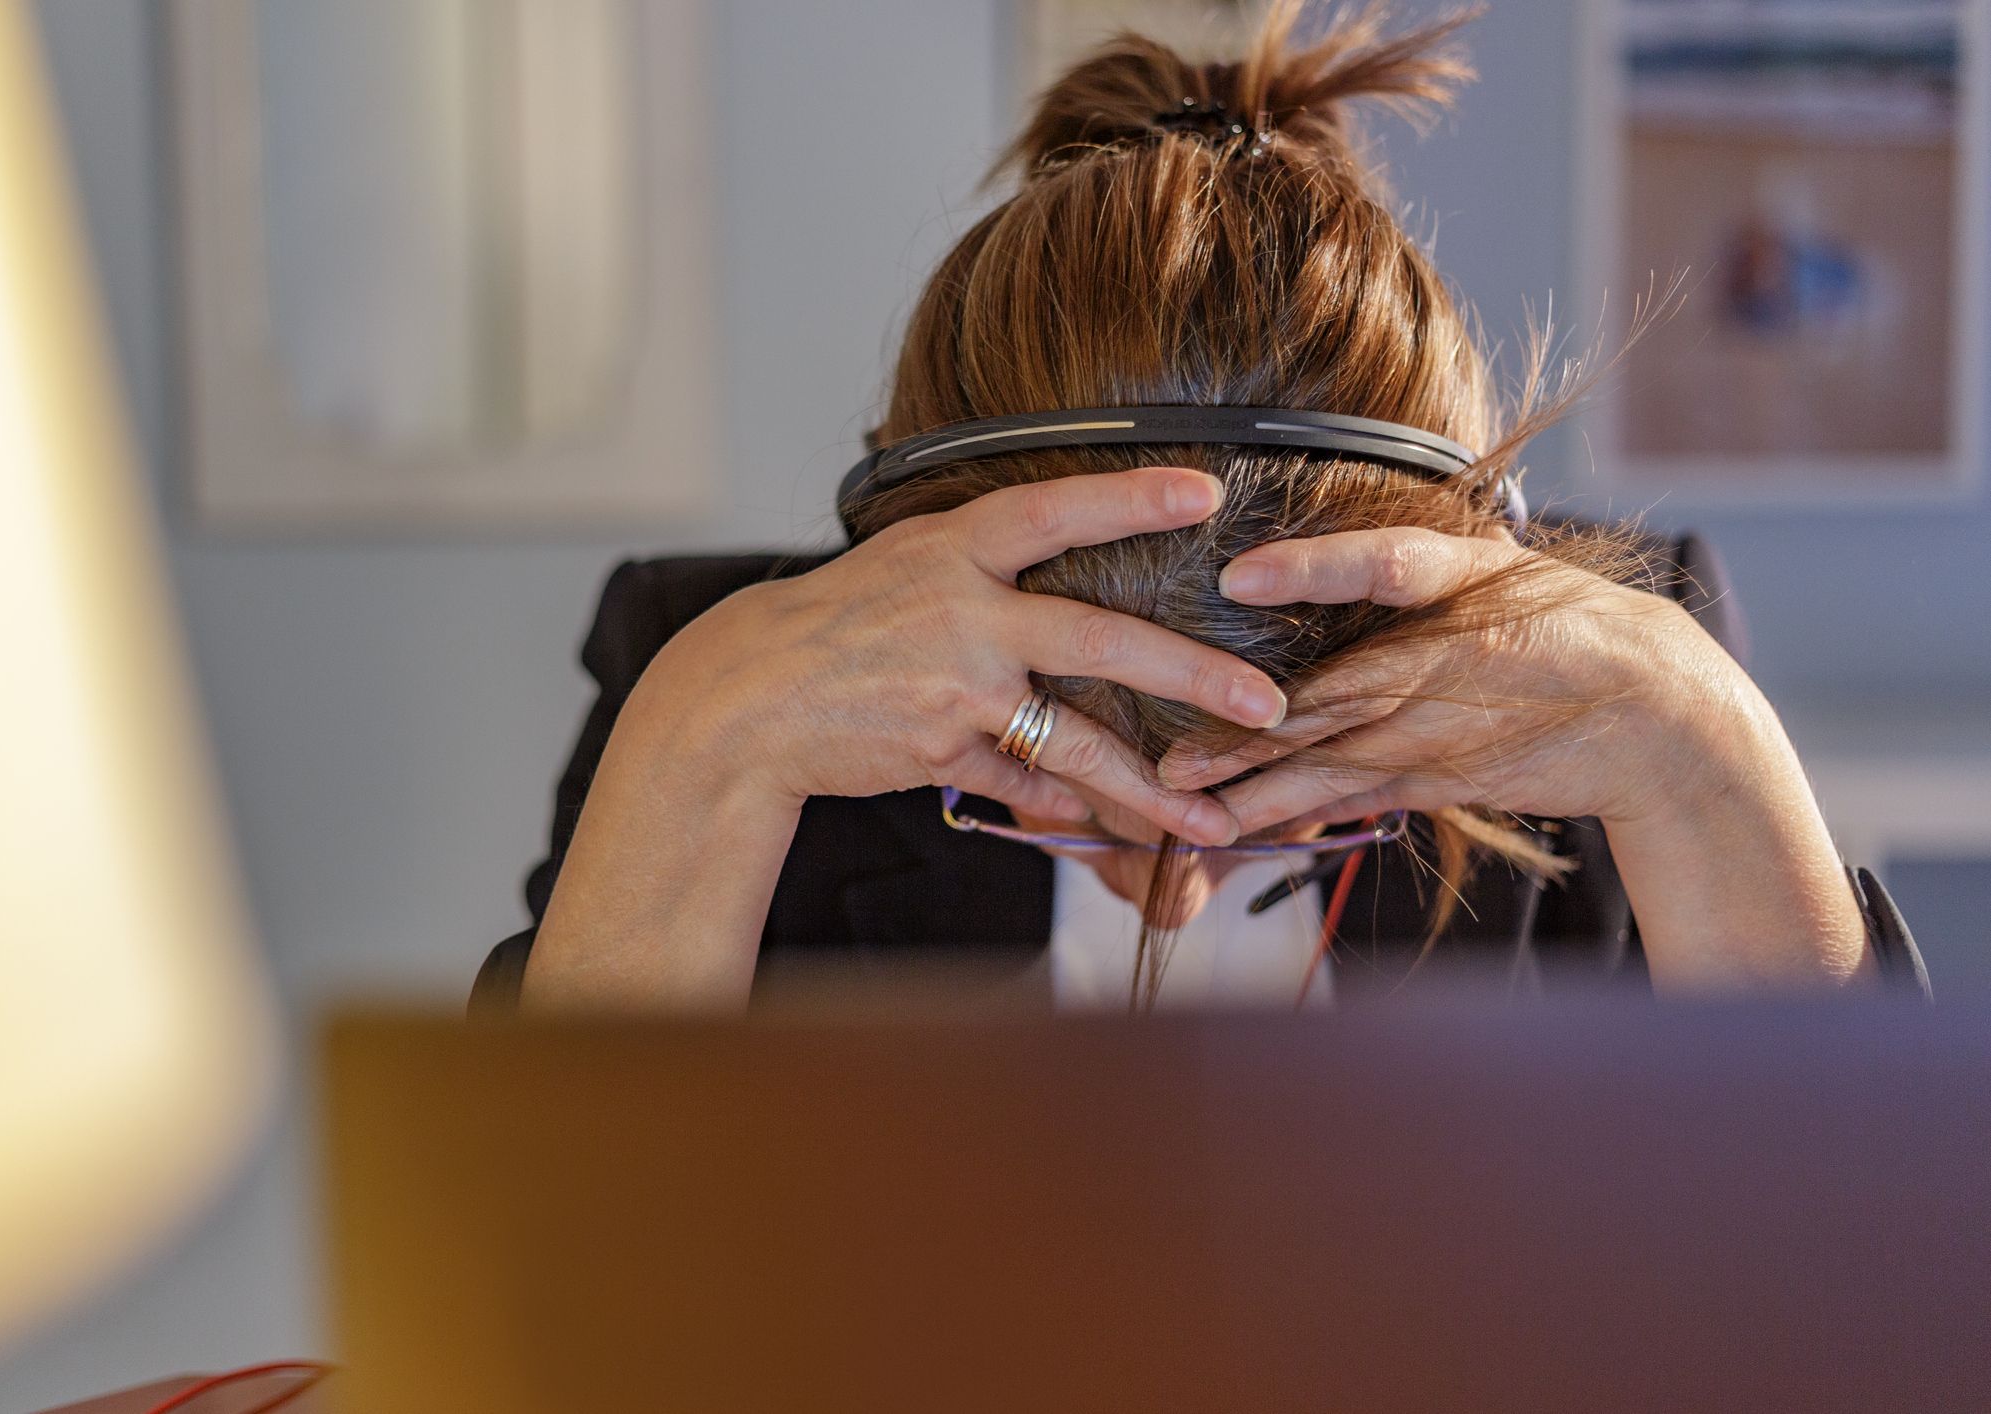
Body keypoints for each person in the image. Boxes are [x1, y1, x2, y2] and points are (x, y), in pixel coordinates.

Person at [475, 1, 1927, 1015]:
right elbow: (528, 1326)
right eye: (1049, 790)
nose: (1171, 895)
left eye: (1287, 808)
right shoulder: (713, 676)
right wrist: (696, 748)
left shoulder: (1617, 694)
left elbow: (1869, 1317)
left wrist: (1704, 759)